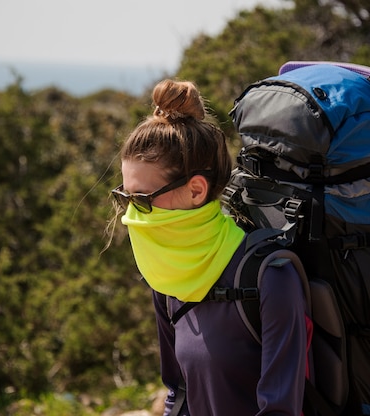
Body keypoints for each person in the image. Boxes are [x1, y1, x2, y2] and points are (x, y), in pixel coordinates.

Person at [110, 79, 308, 415]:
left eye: (142, 199)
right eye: (125, 196)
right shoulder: (168, 275)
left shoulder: (270, 276)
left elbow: (280, 409)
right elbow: (178, 392)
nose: (131, 213)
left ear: (197, 191)